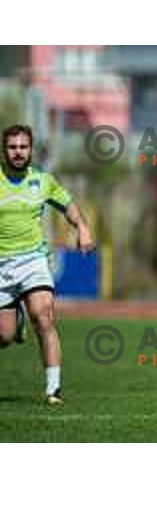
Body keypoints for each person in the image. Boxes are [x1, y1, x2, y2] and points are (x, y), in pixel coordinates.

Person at [0, 124, 93, 404]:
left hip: (33, 260)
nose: (18, 152)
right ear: (4, 151)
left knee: (43, 316)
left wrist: (83, 228)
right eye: (12, 147)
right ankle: (15, 320)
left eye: (23, 147)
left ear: (30, 149)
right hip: (2, 264)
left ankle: (53, 390)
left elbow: (69, 206)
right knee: (4, 337)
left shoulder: (43, 181)